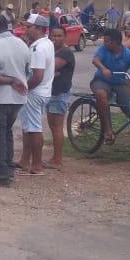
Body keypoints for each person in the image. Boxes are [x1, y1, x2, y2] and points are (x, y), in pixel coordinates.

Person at [0, 14, 30, 187]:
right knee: (6, 133)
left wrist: (11, 80)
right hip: (17, 100)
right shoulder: (21, 44)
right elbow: (27, 68)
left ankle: (0, 177)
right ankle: (8, 169)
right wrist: (17, 79)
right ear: (7, 25)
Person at [91, 29, 130, 144]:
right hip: (101, 81)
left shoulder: (127, 54)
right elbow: (95, 60)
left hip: (119, 83)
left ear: (116, 42)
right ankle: (108, 130)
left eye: (107, 41)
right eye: (104, 40)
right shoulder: (103, 49)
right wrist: (103, 69)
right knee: (101, 94)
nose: (104, 43)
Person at [18, 15, 54, 176]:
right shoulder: (46, 43)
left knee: (33, 128)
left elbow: (37, 75)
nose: (26, 29)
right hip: (43, 91)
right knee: (28, 127)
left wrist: (26, 87)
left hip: (35, 92)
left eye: (29, 27)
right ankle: (25, 160)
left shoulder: (38, 48)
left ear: (39, 29)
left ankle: (37, 164)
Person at [46, 26, 75, 170]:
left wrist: (50, 70)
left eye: (59, 36)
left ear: (64, 37)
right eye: (53, 36)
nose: (56, 38)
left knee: (57, 127)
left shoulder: (65, 52)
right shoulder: (54, 50)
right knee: (52, 126)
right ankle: (55, 158)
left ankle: (58, 160)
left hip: (59, 93)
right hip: (52, 92)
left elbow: (49, 67)